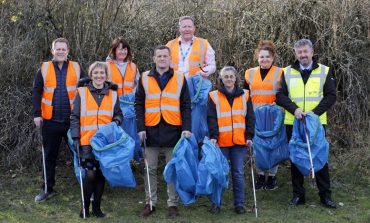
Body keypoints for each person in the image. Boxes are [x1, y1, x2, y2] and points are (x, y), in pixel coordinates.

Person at [276, 39, 337, 208]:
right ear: (295, 54)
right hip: (293, 122)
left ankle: (325, 196)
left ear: (312, 52)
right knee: (296, 159)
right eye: (299, 52)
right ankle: (298, 195)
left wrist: (314, 114)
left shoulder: (324, 71)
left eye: (305, 52)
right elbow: (280, 96)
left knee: (320, 158)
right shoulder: (286, 72)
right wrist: (294, 109)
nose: (303, 55)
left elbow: (331, 95)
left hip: (316, 124)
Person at [135, 45, 192, 218]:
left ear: (170, 58)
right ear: (153, 58)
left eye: (165, 56)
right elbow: (138, 104)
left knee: (172, 168)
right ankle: (150, 203)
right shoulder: (144, 77)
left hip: (173, 129)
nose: (162, 59)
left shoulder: (180, 78)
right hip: (150, 129)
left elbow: (186, 106)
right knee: (149, 168)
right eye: (158, 56)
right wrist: (140, 128)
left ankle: (172, 204)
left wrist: (187, 128)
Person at [32, 38, 85, 202]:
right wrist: (36, 114)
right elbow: (36, 92)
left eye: (63, 49)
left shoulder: (76, 67)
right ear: (52, 50)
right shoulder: (44, 68)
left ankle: (87, 187)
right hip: (50, 120)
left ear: (68, 51)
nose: (60, 51)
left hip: (73, 121)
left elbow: (86, 90)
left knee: (80, 154)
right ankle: (47, 189)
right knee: (48, 156)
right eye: (58, 49)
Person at [70, 62, 123, 218]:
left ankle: (97, 208)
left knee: (101, 174)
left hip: (106, 143)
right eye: (96, 73)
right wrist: (75, 137)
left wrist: (117, 122)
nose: (99, 76)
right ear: (91, 75)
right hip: (87, 141)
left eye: (102, 73)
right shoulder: (82, 92)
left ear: (106, 76)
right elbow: (74, 117)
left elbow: (118, 114)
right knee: (90, 175)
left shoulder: (113, 94)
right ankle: (85, 208)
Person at [207, 66, 255, 214]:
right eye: (225, 76)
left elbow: (250, 118)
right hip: (221, 142)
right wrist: (213, 136)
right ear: (221, 79)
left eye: (231, 76)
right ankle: (216, 203)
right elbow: (211, 118)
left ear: (236, 78)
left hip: (240, 142)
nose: (228, 79)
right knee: (220, 173)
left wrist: (249, 136)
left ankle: (239, 204)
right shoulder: (213, 96)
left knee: (238, 173)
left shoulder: (245, 95)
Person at [244, 40, 283, 190]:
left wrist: (278, 105)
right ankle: (260, 175)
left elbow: (284, 94)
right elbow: (245, 95)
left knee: (273, 145)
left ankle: (272, 176)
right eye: (262, 57)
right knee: (257, 146)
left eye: (267, 57)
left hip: (274, 115)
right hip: (255, 115)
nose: (264, 59)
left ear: (273, 57)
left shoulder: (281, 72)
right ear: (257, 57)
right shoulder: (249, 73)